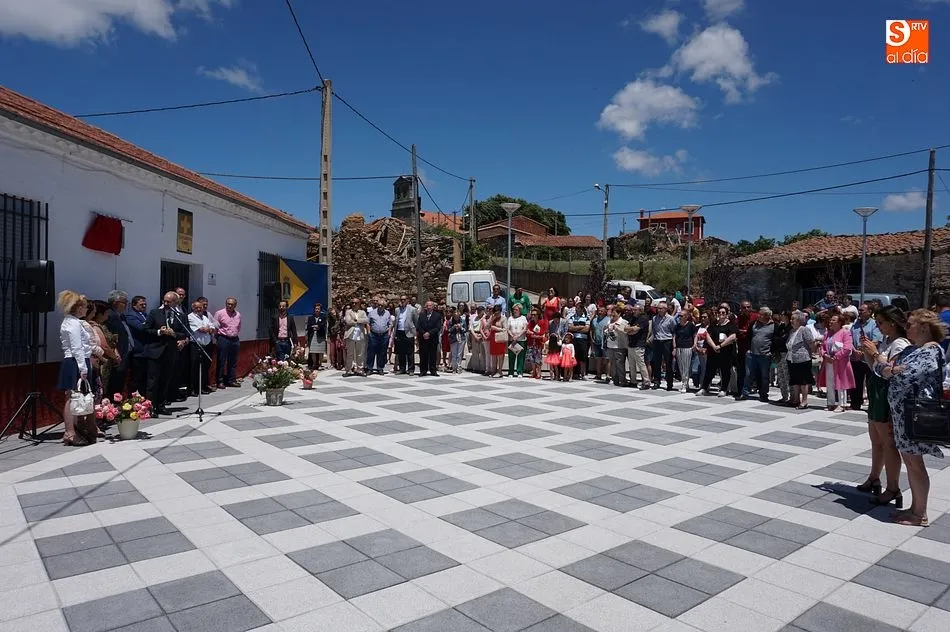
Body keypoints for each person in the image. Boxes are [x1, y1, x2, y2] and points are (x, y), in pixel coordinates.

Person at [876, 309, 945, 526]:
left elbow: (905, 375)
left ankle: (920, 513)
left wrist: (891, 369)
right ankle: (915, 508)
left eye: (911, 324)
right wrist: (891, 368)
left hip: (915, 414)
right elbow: (883, 370)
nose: (907, 327)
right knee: (910, 461)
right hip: (902, 414)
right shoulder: (913, 349)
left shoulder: (931, 351)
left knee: (915, 463)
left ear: (924, 327)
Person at [857, 305, 910, 505]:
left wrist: (875, 353)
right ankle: (874, 477)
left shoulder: (900, 344)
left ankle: (893, 487)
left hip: (888, 395)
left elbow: (891, 371)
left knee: (888, 443)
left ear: (892, 323)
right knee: (876, 439)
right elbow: (875, 369)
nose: (877, 327)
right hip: (876, 392)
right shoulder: (887, 341)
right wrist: (868, 353)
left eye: (880, 322)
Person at [56, 291, 98, 446]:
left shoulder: (73, 322)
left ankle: (90, 427)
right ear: (78, 308)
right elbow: (76, 347)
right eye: (84, 307)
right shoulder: (72, 323)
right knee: (72, 396)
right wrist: (83, 368)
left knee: (85, 395)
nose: (86, 310)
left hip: (79, 360)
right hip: (75, 361)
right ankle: (70, 432)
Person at [143, 292, 189, 416]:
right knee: (153, 381)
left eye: (169, 302)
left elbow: (185, 333)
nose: (166, 304)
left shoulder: (181, 316)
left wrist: (174, 334)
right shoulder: (155, 313)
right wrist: (159, 331)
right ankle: (150, 406)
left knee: (165, 379)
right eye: (165, 301)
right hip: (155, 351)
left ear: (175, 302)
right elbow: (146, 329)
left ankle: (161, 405)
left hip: (170, 352)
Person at [699, 306, 737, 397]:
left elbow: (733, 337)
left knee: (725, 371)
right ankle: (704, 388)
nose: (721, 314)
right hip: (713, 351)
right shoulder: (714, 324)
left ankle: (724, 389)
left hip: (726, 351)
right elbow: (707, 335)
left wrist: (721, 345)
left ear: (727, 314)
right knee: (709, 370)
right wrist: (714, 346)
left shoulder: (731, 324)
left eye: (723, 312)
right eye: (719, 312)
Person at [819, 314, 855, 412]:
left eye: (833, 320)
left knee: (841, 382)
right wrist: (824, 354)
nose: (830, 322)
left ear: (840, 322)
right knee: (829, 382)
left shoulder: (845, 333)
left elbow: (847, 348)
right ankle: (830, 403)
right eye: (830, 320)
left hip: (840, 362)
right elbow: (823, 346)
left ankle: (842, 404)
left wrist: (836, 357)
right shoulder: (828, 333)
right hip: (828, 361)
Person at [741, 307, 775, 402]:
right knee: (748, 374)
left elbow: (775, 340)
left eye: (761, 314)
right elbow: (748, 337)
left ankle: (763, 394)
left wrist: (771, 352)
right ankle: (744, 393)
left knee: (764, 376)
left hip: (765, 355)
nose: (758, 316)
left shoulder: (773, 326)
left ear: (767, 316)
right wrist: (747, 349)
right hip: (752, 354)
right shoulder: (754, 324)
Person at [786, 311, 816, 409]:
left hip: (803, 359)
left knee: (803, 381)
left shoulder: (804, 329)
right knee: (795, 380)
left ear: (799, 320)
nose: (791, 321)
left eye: (793, 319)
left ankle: (804, 401)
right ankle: (796, 399)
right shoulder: (792, 330)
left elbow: (811, 343)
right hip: (792, 358)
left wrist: (813, 353)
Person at [187, 300, 215, 395]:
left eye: (201, 307)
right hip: (196, 345)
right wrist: (208, 329)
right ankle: (193, 389)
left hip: (206, 345)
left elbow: (213, 328)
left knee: (204, 367)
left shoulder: (204, 317)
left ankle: (202, 387)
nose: (199, 309)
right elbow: (201, 329)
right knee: (194, 368)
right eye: (197, 308)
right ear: (193, 308)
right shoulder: (190, 317)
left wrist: (209, 329)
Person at [213, 297, 241, 389]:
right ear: (226, 304)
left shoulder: (238, 315)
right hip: (223, 339)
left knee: (233, 361)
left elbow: (239, 327)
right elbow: (215, 327)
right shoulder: (220, 313)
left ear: (235, 305)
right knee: (221, 360)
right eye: (228, 304)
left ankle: (231, 380)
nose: (229, 306)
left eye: (231, 304)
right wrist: (218, 338)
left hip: (235, 339)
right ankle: (220, 381)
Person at [417, 301, 444, 377]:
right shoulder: (422, 315)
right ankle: (423, 371)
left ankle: (433, 370)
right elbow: (418, 326)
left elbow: (438, 327)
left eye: (430, 306)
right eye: (427, 305)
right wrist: (424, 333)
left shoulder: (437, 315)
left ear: (433, 307)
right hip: (423, 338)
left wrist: (429, 333)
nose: (428, 307)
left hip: (432, 338)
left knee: (432, 355)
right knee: (423, 355)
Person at [506, 303, 528, 378]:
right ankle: (511, 372)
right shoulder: (510, 318)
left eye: (516, 309)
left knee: (520, 357)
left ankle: (519, 372)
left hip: (521, 339)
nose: (514, 311)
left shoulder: (523, 318)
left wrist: (518, 336)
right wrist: (512, 336)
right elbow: (508, 329)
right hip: (512, 340)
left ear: (520, 310)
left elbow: (525, 328)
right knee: (511, 356)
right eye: (514, 309)